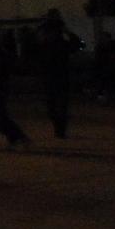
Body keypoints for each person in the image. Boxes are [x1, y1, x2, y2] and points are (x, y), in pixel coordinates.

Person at [32, 9, 79, 139]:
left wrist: (67, 32)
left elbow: (77, 45)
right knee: (52, 106)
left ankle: (60, 130)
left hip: (60, 75)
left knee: (60, 105)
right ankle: (58, 128)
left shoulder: (61, 43)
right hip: (50, 75)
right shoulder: (44, 43)